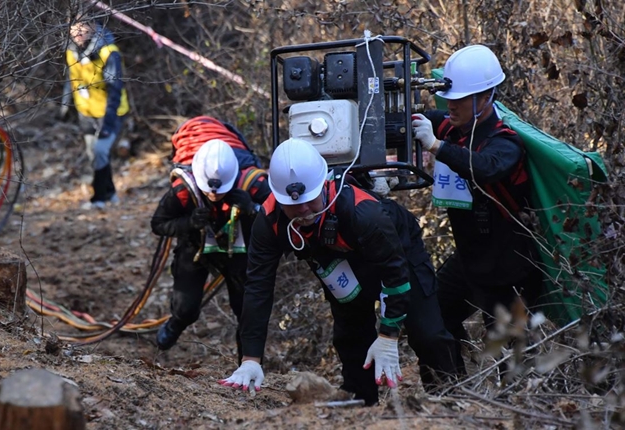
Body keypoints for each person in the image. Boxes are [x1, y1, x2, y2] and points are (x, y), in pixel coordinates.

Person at [219, 138, 463, 405]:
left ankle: (447, 396)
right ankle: (360, 399)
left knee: (427, 332)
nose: (302, 210)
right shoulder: (269, 222)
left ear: (323, 186)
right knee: (350, 330)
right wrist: (251, 358)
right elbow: (257, 287)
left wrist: (388, 334)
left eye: (310, 201)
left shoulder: (364, 212)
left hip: (398, 251)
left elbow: (395, 276)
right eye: (292, 205)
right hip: (336, 259)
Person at [410, 45, 542, 347]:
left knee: (511, 355)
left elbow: (486, 167)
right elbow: (410, 122)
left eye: (459, 101)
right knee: (434, 315)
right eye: (449, 100)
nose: (450, 107)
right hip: (471, 259)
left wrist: (437, 147)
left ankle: (509, 394)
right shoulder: (450, 126)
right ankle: (451, 386)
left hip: (511, 268)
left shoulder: (505, 142)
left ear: (485, 99)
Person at [151, 139, 270, 357]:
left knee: (246, 311)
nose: (214, 195)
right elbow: (158, 224)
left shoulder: (254, 185)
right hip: (195, 249)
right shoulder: (184, 190)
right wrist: (188, 223)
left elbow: (282, 218)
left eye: (220, 190)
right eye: (210, 190)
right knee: (185, 308)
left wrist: (252, 209)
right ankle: (177, 323)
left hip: (240, 254)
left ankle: (247, 363)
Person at [61, 19, 129, 210]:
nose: (78, 31)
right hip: (86, 111)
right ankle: (111, 193)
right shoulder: (71, 50)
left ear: (94, 27)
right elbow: (71, 78)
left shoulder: (109, 53)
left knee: (100, 151)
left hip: (110, 112)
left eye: (84, 26)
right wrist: (65, 105)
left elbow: (115, 91)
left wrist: (108, 124)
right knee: (95, 155)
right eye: (74, 26)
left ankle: (98, 198)